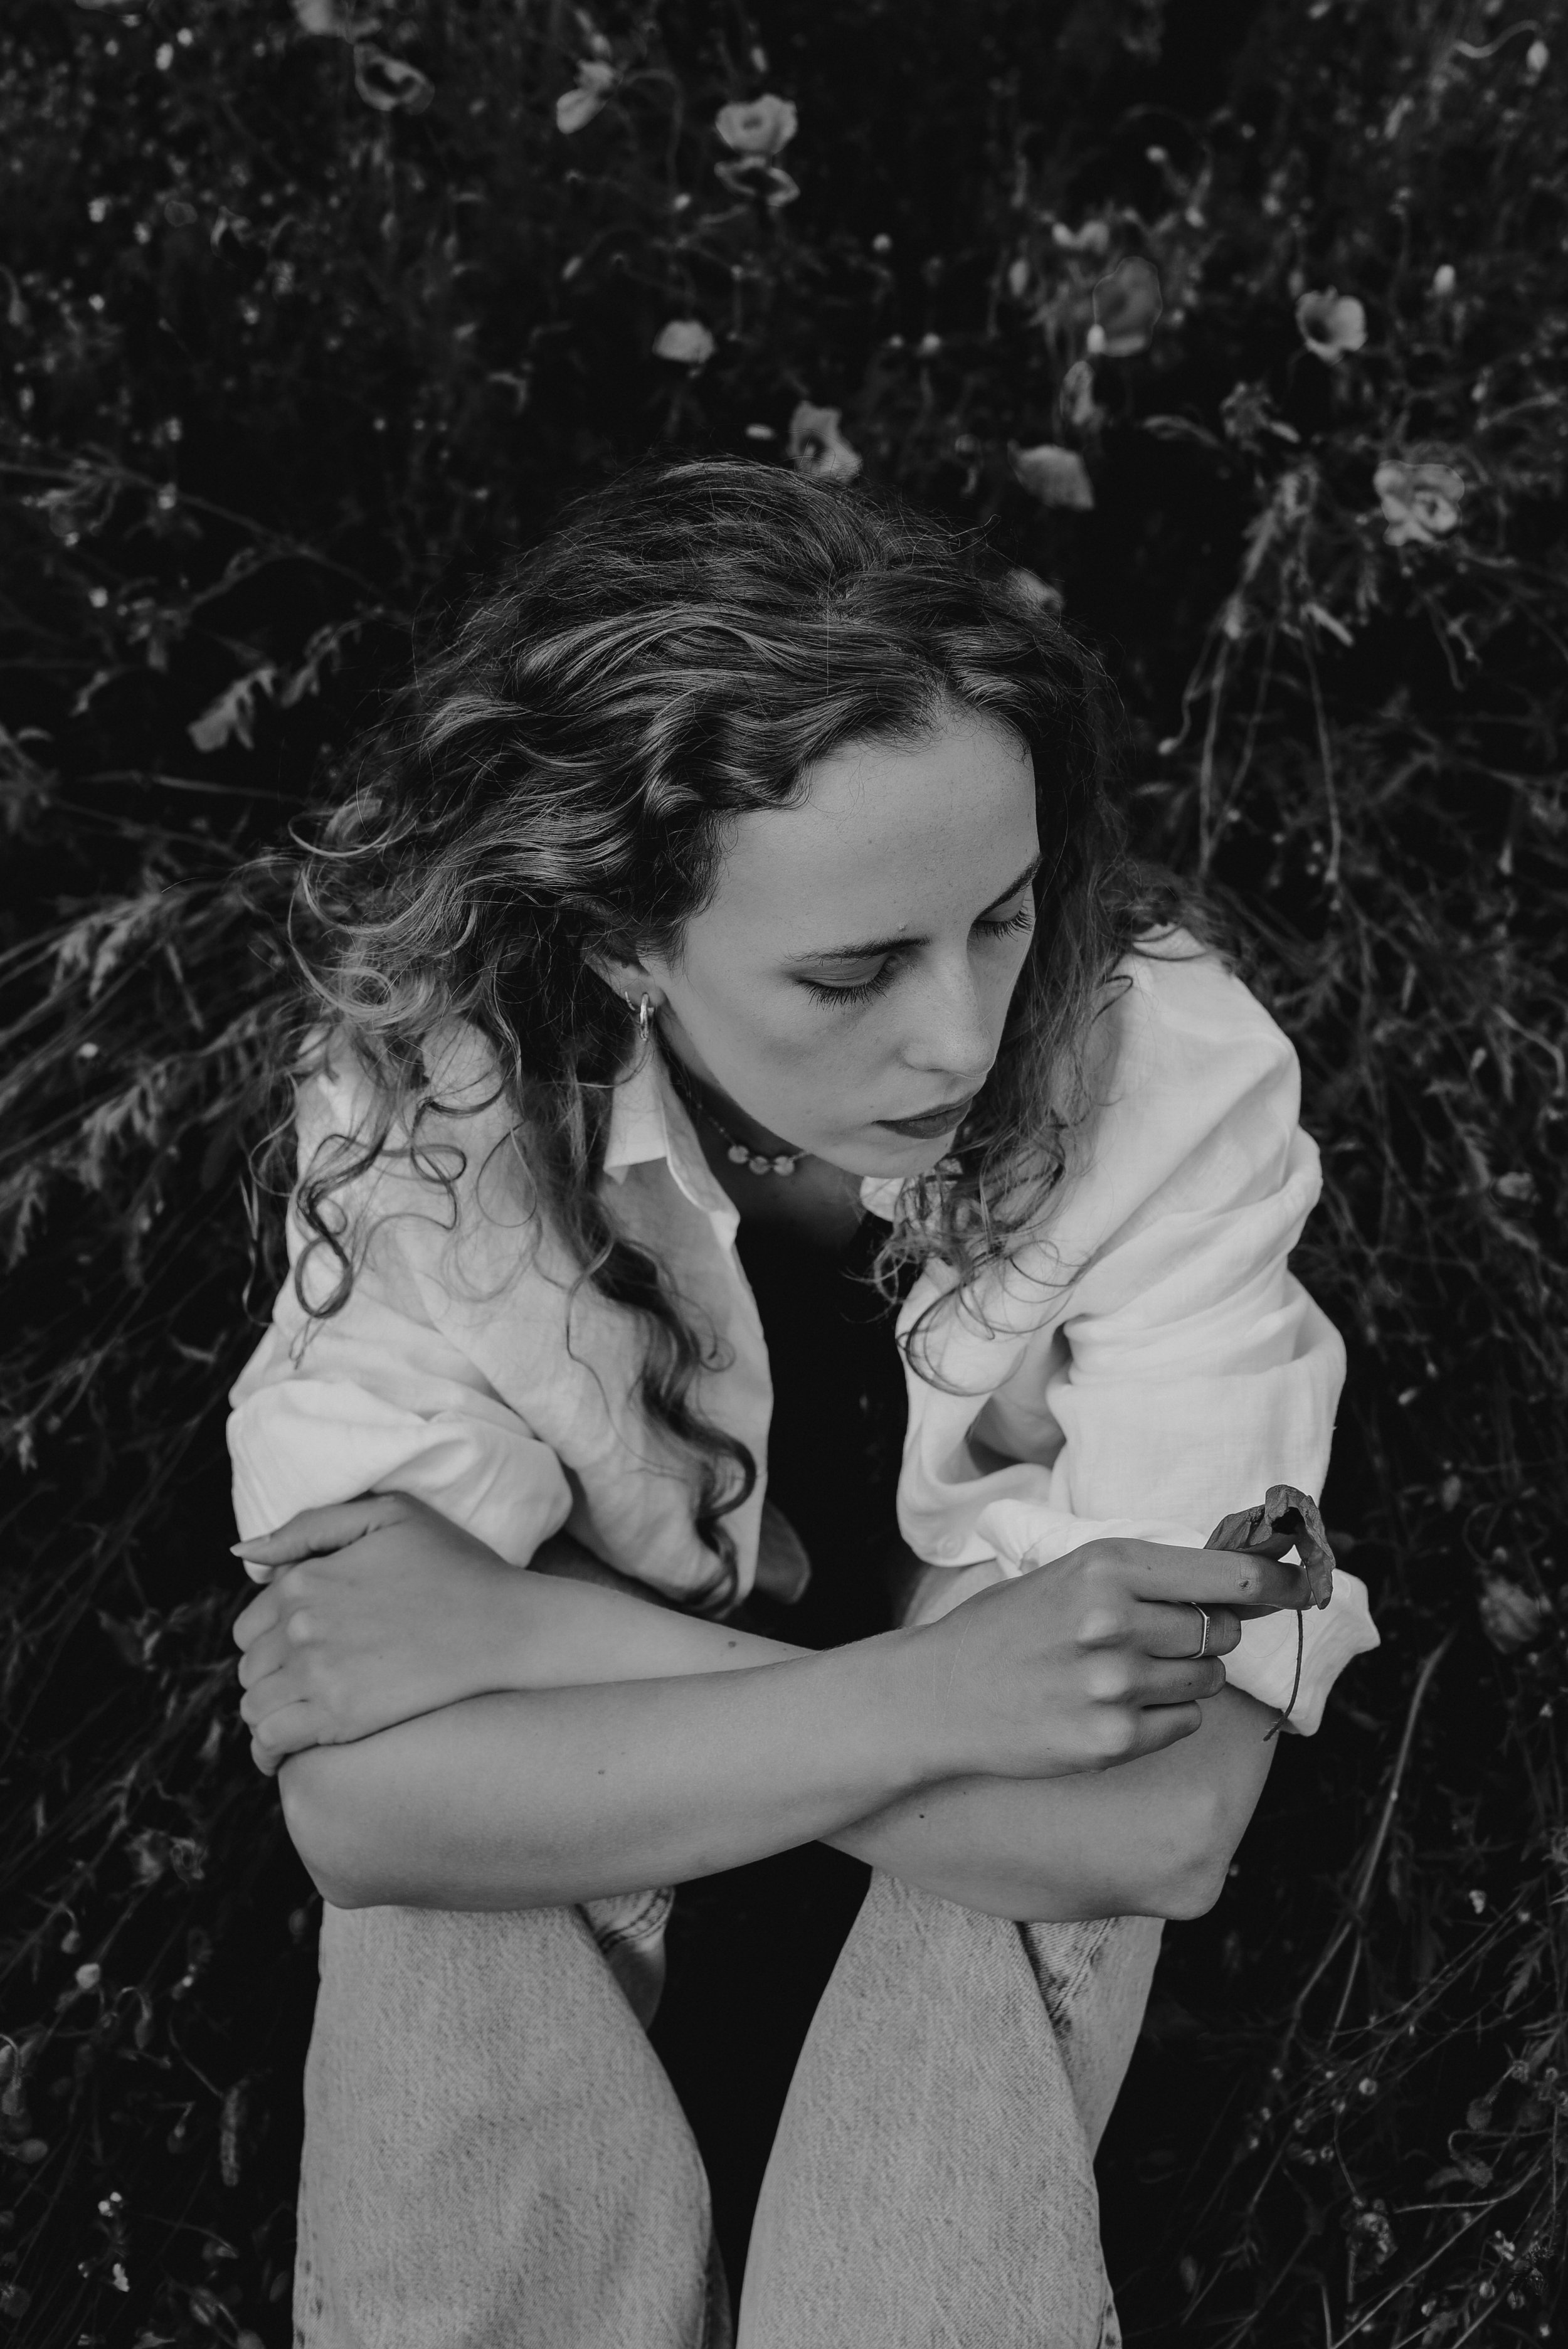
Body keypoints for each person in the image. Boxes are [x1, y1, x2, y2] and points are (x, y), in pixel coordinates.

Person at [225, 462, 1377, 2349]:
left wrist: (528, 1634)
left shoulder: (1167, 1081)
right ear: (616, 940)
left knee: (1026, 1820)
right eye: (849, 972)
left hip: (923, 1906)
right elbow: (361, 1803)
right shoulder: (436, 1099)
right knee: (453, 1900)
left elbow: (1156, 1826)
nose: (959, 1032)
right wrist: (930, 1700)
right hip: (658, 1866)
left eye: (1001, 919)